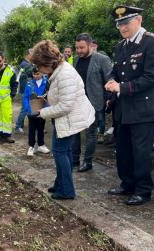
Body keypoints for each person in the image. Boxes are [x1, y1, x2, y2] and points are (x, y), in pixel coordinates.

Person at [105, 5, 154, 206]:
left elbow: (151, 77)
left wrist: (121, 87)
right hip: (123, 108)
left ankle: (143, 190)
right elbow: (115, 70)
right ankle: (127, 183)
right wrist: (111, 81)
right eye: (119, 24)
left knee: (141, 152)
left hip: (144, 109)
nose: (122, 28)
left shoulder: (152, 42)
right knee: (123, 150)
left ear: (139, 20)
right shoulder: (121, 46)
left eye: (126, 23)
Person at [30, 40, 95, 200]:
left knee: (60, 152)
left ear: (49, 62)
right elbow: (60, 95)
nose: (39, 70)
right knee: (63, 152)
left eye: (40, 66)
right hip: (64, 120)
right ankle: (61, 184)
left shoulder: (65, 74)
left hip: (69, 119)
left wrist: (42, 112)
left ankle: (66, 190)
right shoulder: (58, 71)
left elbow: (65, 105)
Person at [72, 33, 113, 172]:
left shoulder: (102, 59)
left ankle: (87, 161)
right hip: (77, 102)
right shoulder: (76, 60)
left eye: (82, 48)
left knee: (90, 133)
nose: (79, 51)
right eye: (77, 48)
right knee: (75, 131)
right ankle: (75, 159)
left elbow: (110, 80)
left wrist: (108, 99)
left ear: (90, 45)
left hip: (94, 102)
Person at [23, 67, 50, 156]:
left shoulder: (46, 83)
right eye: (34, 74)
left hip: (42, 110)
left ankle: (41, 145)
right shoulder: (29, 84)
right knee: (32, 129)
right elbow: (26, 97)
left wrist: (46, 106)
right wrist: (28, 109)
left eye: (38, 74)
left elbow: (49, 95)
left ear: (42, 73)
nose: (36, 76)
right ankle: (31, 146)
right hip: (31, 111)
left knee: (41, 128)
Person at [14, 49, 35, 134]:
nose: (33, 56)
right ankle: (17, 127)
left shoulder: (28, 64)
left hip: (28, 90)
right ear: (27, 55)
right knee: (25, 109)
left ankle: (25, 125)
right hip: (24, 91)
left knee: (30, 108)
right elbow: (32, 70)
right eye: (32, 54)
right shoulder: (24, 64)